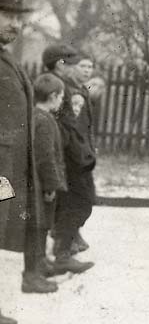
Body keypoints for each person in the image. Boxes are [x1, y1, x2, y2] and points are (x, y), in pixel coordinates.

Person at [0, 0, 57, 297]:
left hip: (10, 169)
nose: (15, 24)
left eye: (18, 18)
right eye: (7, 15)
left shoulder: (6, 58)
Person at [33, 73, 93, 276]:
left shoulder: (42, 117)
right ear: (53, 97)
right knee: (42, 223)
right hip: (50, 183)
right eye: (61, 98)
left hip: (52, 180)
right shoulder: (45, 120)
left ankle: (44, 263)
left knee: (44, 222)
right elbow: (46, 156)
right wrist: (52, 185)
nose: (63, 102)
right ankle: (46, 263)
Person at [44, 43, 98, 263]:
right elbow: (64, 126)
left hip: (74, 154)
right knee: (79, 202)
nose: (82, 69)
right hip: (69, 156)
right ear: (61, 65)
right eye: (77, 64)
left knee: (77, 201)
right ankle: (62, 248)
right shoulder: (58, 87)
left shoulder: (70, 86)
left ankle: (65, 242)